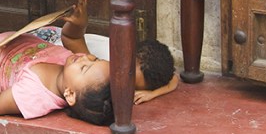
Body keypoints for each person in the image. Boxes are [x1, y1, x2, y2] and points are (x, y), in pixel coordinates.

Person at [30, 31, 179, 105]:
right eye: (127, 73)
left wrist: (152, 94)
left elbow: (173, 78)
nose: (123, 80)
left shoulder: (144, 72)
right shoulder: (102, 64)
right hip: (49, 41)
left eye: (132, 84)